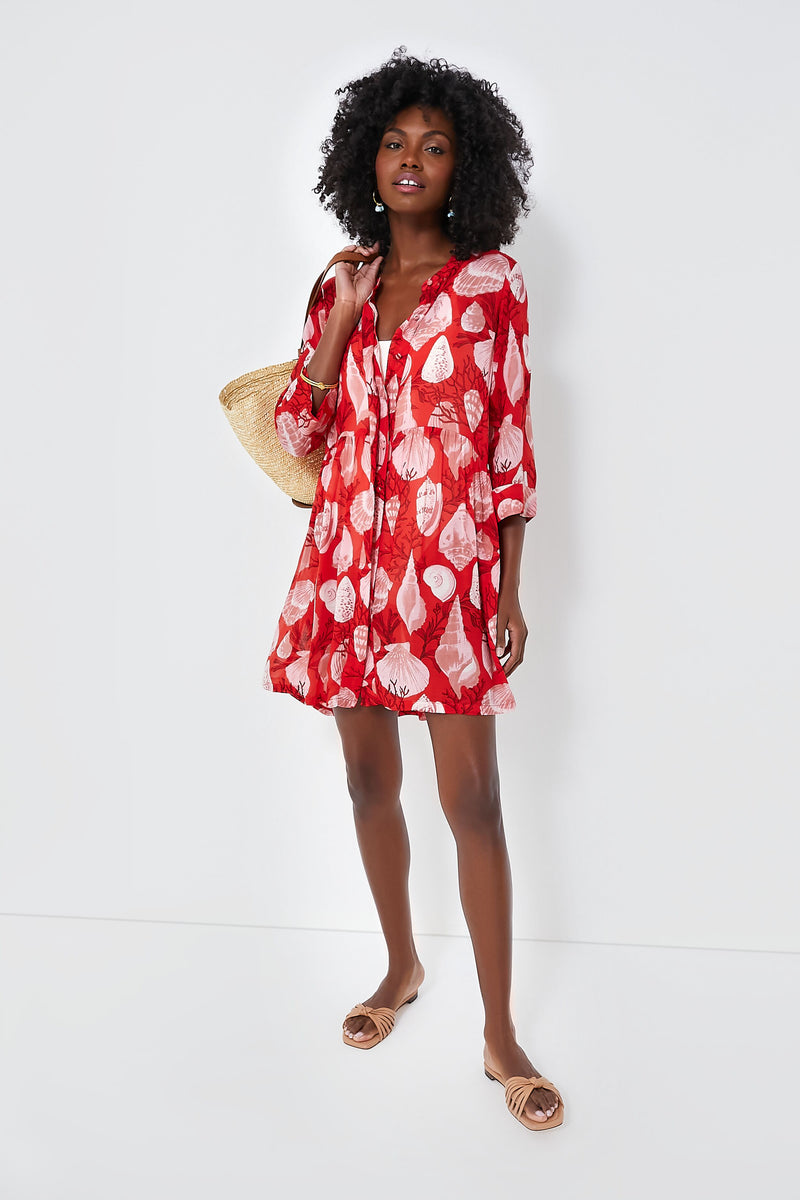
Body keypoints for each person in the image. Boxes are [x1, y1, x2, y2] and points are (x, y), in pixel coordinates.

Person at [263, 48, 564, 1131]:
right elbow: (299, 435)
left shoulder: (491, 288)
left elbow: (507, 448)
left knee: (471, 799)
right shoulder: (339, 279)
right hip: (348, 566)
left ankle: (499, 1033)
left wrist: (509, 588)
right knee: (363, 784)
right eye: (394, 142)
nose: (409, 160)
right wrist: (337, 329)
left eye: (434, 147)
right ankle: (397, 970)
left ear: (464, 167)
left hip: (444, 580)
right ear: (365, 155)